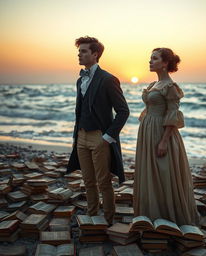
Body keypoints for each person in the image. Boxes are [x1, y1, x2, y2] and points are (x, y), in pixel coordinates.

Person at [68, 36, 129, 225]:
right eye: (79, 51)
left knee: (103, 182)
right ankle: (92, 216)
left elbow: (123, 111)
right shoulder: (80, 80)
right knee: (88, 181)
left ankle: (109, 220)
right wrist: (77, 135)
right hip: (82, 137)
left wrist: (107, 137)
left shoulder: (108, 79)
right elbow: (81, 110)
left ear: (95, 54)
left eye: (84, 51)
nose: (80, 54)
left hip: (99, 137)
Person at [133, 47, 199, 225]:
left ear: (165, 63)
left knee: (163, 171)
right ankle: (150, 215)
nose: (150, 61)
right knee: (150, 172)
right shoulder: (153, 85)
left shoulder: (170, 86)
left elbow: (173, 115)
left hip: (162, 133)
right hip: (148, 130)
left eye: (154, 58)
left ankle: (168, 217)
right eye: (150, 58)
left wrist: (163, 141)